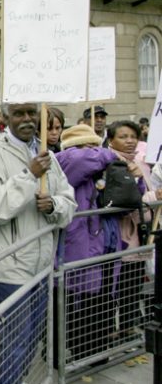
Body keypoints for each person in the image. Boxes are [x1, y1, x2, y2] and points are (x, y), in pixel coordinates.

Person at [0, 103, 76, 384]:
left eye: (33, 113)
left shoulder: (49, 156)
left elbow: (69, 202)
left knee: (32, 337)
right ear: (5, 118)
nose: (28, 119)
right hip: (10, 264)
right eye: (19, 113)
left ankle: (16, 383)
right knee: (15, 338)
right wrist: (29, 176)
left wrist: (54, 204)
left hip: (42, 264)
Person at [54, 124, 120, 363]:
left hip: (99, 241)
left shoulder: (93, 167)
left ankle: (92, 352)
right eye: (88, 145)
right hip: (76, 242)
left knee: (95, 299)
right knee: (73, 299)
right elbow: (84, 158)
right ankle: (65, 353)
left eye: (95, 145)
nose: (94, 150)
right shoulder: (68, 160)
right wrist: (109, 152)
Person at [106, 120, 161, 340]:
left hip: (140, 234)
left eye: (133, 136)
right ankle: (110, 332)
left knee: (133, 285)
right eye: (123, 136)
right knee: (116, 287)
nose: (129, 141)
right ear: (111, 140)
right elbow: (127, 201)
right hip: (122, 236)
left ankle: (127, 329)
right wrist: (152, 197)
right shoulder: (112, 164)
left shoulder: (140, 163)